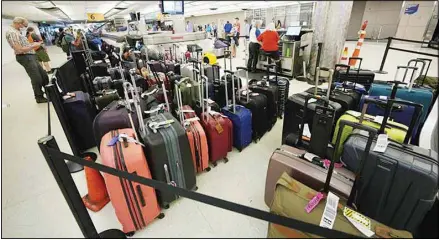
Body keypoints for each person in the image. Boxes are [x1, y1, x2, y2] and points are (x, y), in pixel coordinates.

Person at [5, 17, 49, 103]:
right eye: (23, 26)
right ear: (18, 23)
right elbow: (19, 49)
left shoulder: (17, 32)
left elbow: (24, 45)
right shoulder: (12, 33)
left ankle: (50, 93)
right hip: (25, 57)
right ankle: (39, 97)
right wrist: (33, 46)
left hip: (30, 55)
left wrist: (33, 44)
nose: (23, 28)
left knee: (44, 76)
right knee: (37, 78)